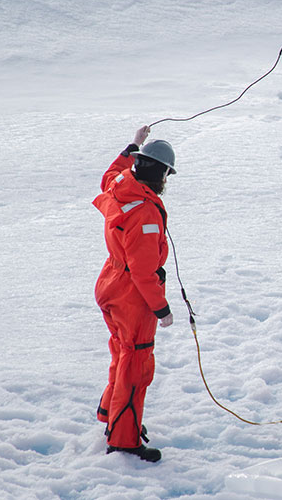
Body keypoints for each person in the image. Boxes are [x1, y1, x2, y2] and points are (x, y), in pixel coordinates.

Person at [93, 125, 177, 462]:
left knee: (121, 353)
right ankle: (124, 438)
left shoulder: (121, 185)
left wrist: (134, 145)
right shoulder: (145, 215)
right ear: (160, 174)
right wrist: (162, 308)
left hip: (110, 283)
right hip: (132, 295)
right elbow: (143, 272)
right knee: (136, 363)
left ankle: (111, 415)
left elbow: (110, 174)